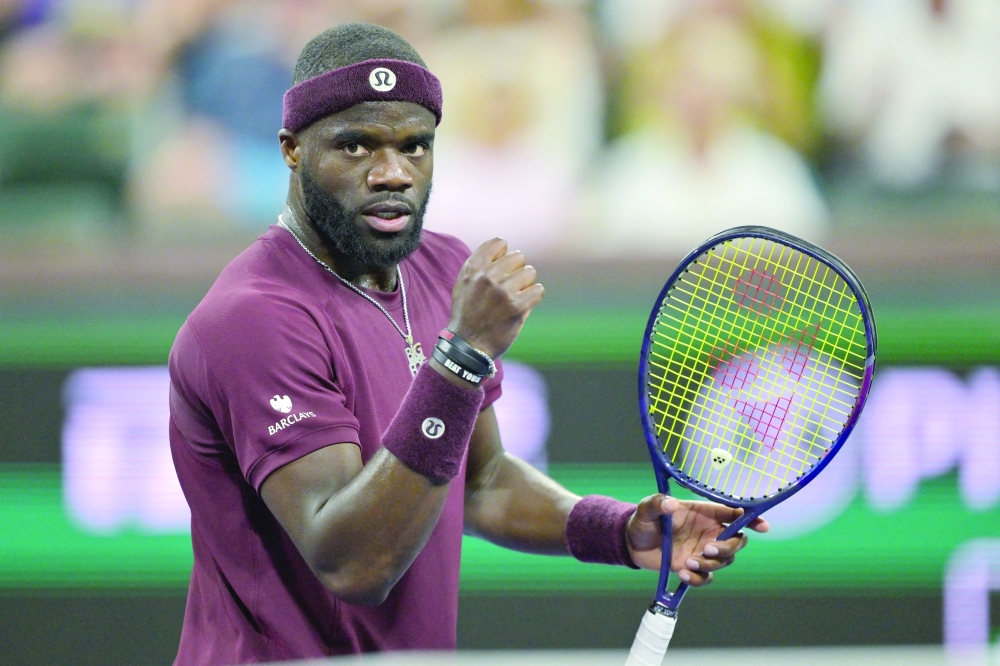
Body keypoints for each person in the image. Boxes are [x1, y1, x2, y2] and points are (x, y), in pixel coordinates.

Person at [167, 22, 769, 664]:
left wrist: (619, 530)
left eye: (414, 147)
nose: (392, 173)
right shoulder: (254, 317)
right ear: (292, 149)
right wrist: (460, 359)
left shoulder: (442, 266)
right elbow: (353, 564)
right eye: (356, 147)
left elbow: (478, 480)